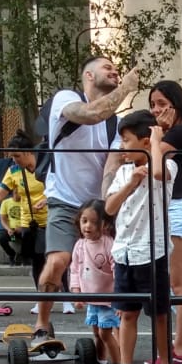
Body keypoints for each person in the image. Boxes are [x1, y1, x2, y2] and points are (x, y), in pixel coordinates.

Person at [42, 56, 139, 345]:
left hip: (95, 205)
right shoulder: (65, 99)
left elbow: (111, 167)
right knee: (59, 260)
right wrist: (127, 88)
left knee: (109, 266)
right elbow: (89, 114)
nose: (114, 70)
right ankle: (42, 322)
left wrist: (108, 206)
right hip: (63, 197)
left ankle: (106, 335)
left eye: (116, 68)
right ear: (87, 74)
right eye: (106, 67)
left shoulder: (116, 125)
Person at [106, 109, 174, 364]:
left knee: (159, 313)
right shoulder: (124, 172)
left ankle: (165, 361)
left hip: (151, 250)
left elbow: (158, 174)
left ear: (145, 142)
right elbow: (110, 208)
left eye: (126, 140)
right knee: (127, 313)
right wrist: (130, 183)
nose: (122, 147)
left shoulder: (167, 164)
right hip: (124, 250)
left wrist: (157, 140)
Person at [147, 80, 182, 364]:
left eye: (161, 103)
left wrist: (156, 139)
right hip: (180, 207)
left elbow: (154, 166)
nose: (156, 110)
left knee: (180, 284)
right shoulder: (180, 131)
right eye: (153, 104)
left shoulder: (179, 132)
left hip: (180, 207)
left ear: (175, 104)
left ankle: (180, 348)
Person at [0, 130, 48, 318]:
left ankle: (66, 298)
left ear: (28, 152)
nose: (14, 160)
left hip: (53, 220)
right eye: (12, 156)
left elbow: (62, 188)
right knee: (37, 263)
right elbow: (0, 193)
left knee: (58, 260)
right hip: (30, 223)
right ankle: (41, 298)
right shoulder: (14, 171)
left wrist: (46, 199)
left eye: (17, 156)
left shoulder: (46, 165)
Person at [69, 199, 119, 364]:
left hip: (108, 300)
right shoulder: (80, 245)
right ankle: (101, 360)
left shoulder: (108, 244)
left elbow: (117, 271)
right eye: (84, 221)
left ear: (104, 224)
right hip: (92, 298)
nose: (87, 226)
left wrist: (120, 298)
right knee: (97, 333)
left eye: (93, 222)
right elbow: (75, 269)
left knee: (105, 333)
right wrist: (76, 291)